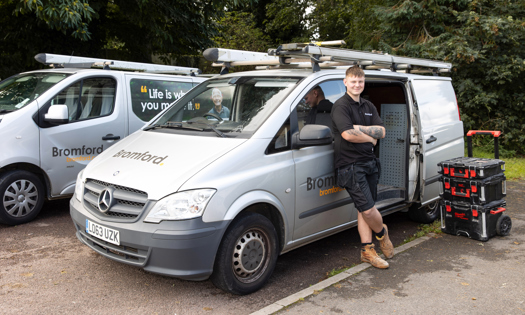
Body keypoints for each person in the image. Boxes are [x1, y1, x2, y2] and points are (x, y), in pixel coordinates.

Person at [331, 66, 394, 269]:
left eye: (360, 81)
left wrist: (359, 129)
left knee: (363, 208)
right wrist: (370, 137)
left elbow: (382, 131)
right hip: (350, 165)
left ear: (363, 82)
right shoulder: (340, 106)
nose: (357, 85)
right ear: (345, 82)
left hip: (370, 162)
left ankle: (367, 251)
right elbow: (348, 135)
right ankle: (382, 233)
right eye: (353, 81)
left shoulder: (368, 105)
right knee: (368, 210)